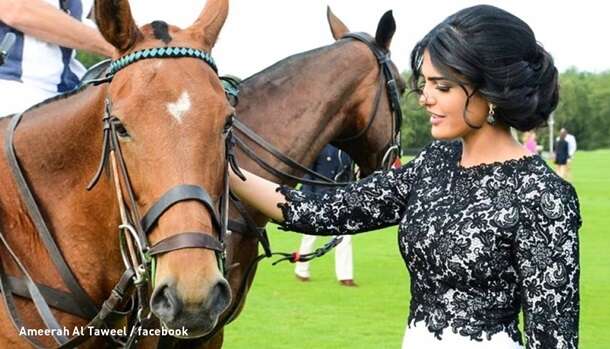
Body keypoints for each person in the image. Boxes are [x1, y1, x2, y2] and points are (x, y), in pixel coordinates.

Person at [230, 5, 581, 349]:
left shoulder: (543, 196)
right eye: (425, 83)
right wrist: (222, 166)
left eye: (441, 87)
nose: (424, 99)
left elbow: (554, 339)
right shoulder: (434, 164)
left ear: (491, 92)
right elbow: (319, 212)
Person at [0, 0, 114, 116]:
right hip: (14, 91)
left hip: (72, 89)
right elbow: (17, 10)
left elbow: (102, 16)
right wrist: (116, 45)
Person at [294, 144, 357, 287]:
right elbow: (308, 173)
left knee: (344, 236)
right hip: (318, 197)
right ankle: (301, 270)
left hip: (339, 199)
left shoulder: (347, 151)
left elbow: (350, 176)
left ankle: (345, 276)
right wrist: (308, 197)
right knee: (310, 235)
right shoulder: (320, 146)